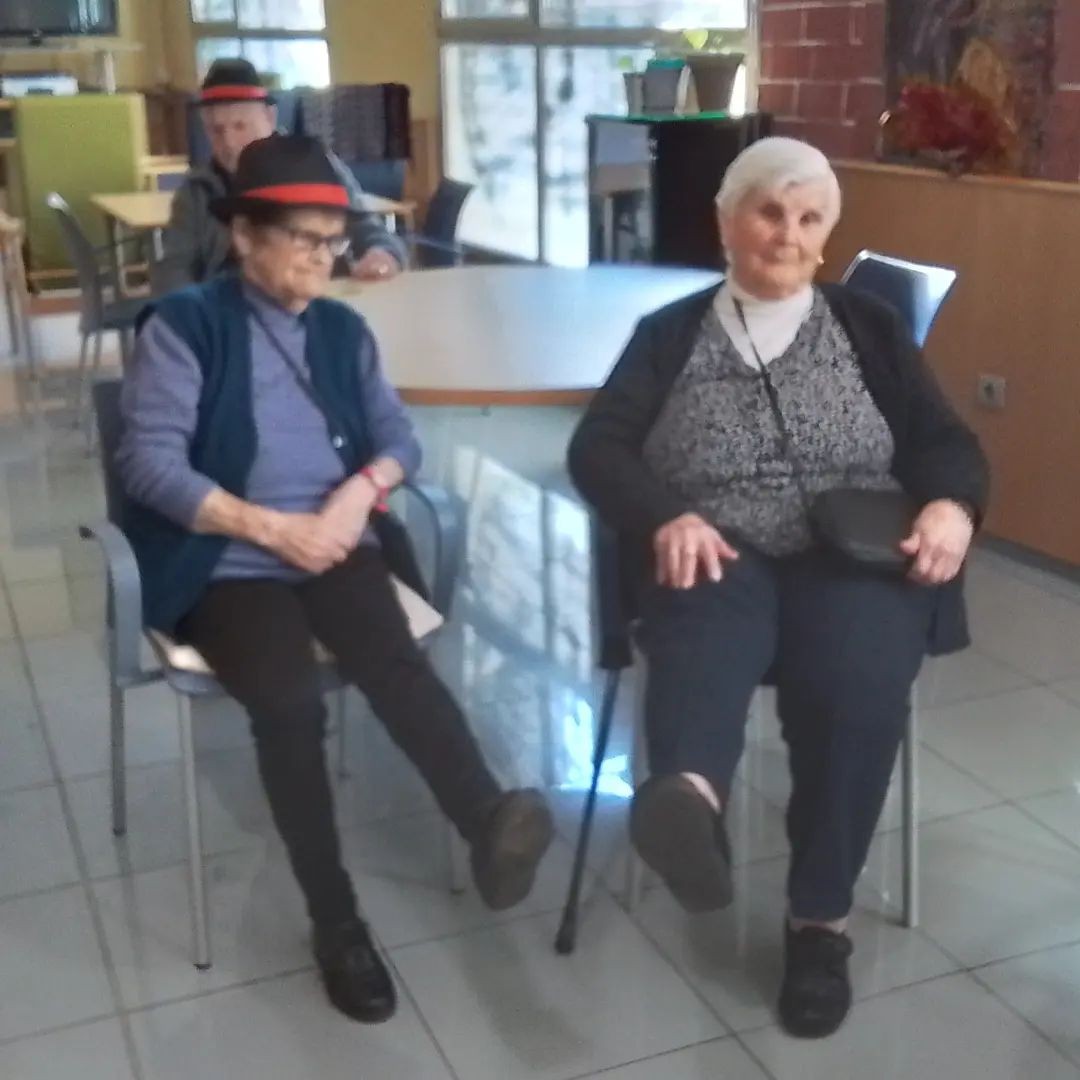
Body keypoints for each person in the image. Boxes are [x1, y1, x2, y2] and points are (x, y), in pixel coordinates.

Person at [118, 134, 553, 1024]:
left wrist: (358, 496)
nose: (326, 258)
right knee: (287, 706)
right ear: (245, 235)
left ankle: (486, 821)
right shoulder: (185, 327)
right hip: (228, 561)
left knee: (394, 662)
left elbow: (398, 439)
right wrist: (270, 527)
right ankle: (336, 921)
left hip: (335, 540)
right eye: (305, 239)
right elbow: (149, 465)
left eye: (333, 240)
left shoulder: (342, 330)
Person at [568, 137, 988, 1039]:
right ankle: (691, 807)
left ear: (827, 236)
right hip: (715, 539)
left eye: (808, 218)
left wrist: (952, 506)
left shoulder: (870, 327)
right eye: (768, 212)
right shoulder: (669, 333)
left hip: (852, 555)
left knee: (856, 687)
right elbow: (598, 447)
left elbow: (944, 442)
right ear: (727, 222)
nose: (787, 234)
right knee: (700, 635)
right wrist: (664, 517)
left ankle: (818, 925)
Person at [156, 58, 407, 292]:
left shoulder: (314, 163)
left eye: (240, 126)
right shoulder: (196, 190)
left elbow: (369, 230)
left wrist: (383, 255)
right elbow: (174, 268)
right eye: (216, 130)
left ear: (269, 117)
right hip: (225, 306)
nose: (229, 142)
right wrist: (191, 311)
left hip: (314, 298)